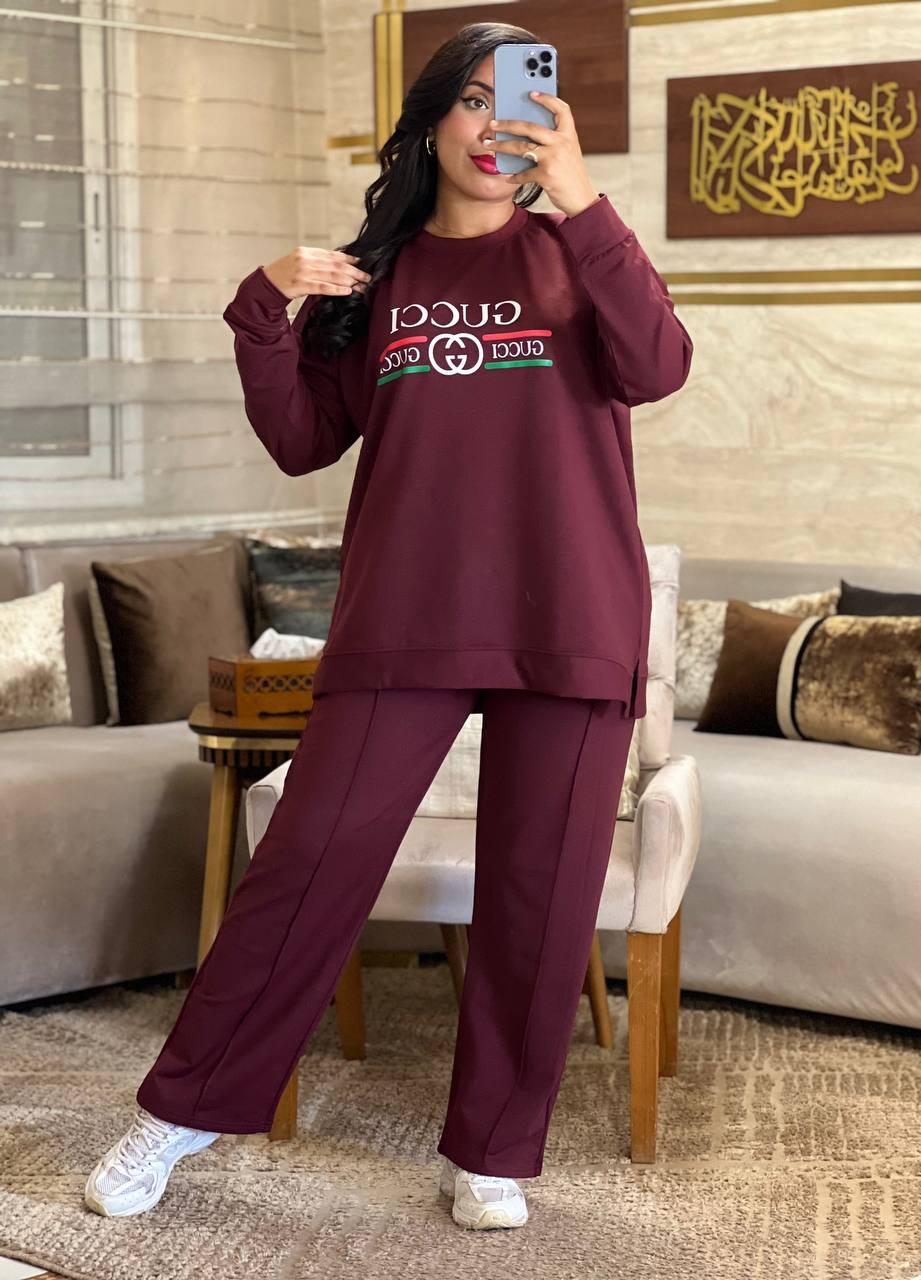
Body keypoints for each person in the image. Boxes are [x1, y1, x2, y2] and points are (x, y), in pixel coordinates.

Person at [84, 21, 692, 1232]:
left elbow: (660, 363)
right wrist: (264, 309)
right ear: (429, 123)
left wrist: (583, 198)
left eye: (523, 104)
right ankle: (180, 1111)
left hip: (573, 615)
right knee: (306, 866)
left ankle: (490, 1152)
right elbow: (303, 438)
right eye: (472, 100)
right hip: (404, 617)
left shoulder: (581, 250)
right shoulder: (380, 278)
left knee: (540, 897)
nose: (497, 127)